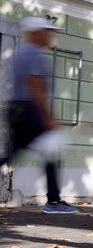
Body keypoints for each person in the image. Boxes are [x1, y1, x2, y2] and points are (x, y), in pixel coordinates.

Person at [0, 17, 79, 213]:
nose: (50, 35)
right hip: (31, 111)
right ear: (36, 32)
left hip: (20, 109)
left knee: (16, 153)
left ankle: (53, 200)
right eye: (46, 31)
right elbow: (35, 87)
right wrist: (48, 116)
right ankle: (53, 202)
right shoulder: (34, 54)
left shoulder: (22, 53)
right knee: (51, 153)